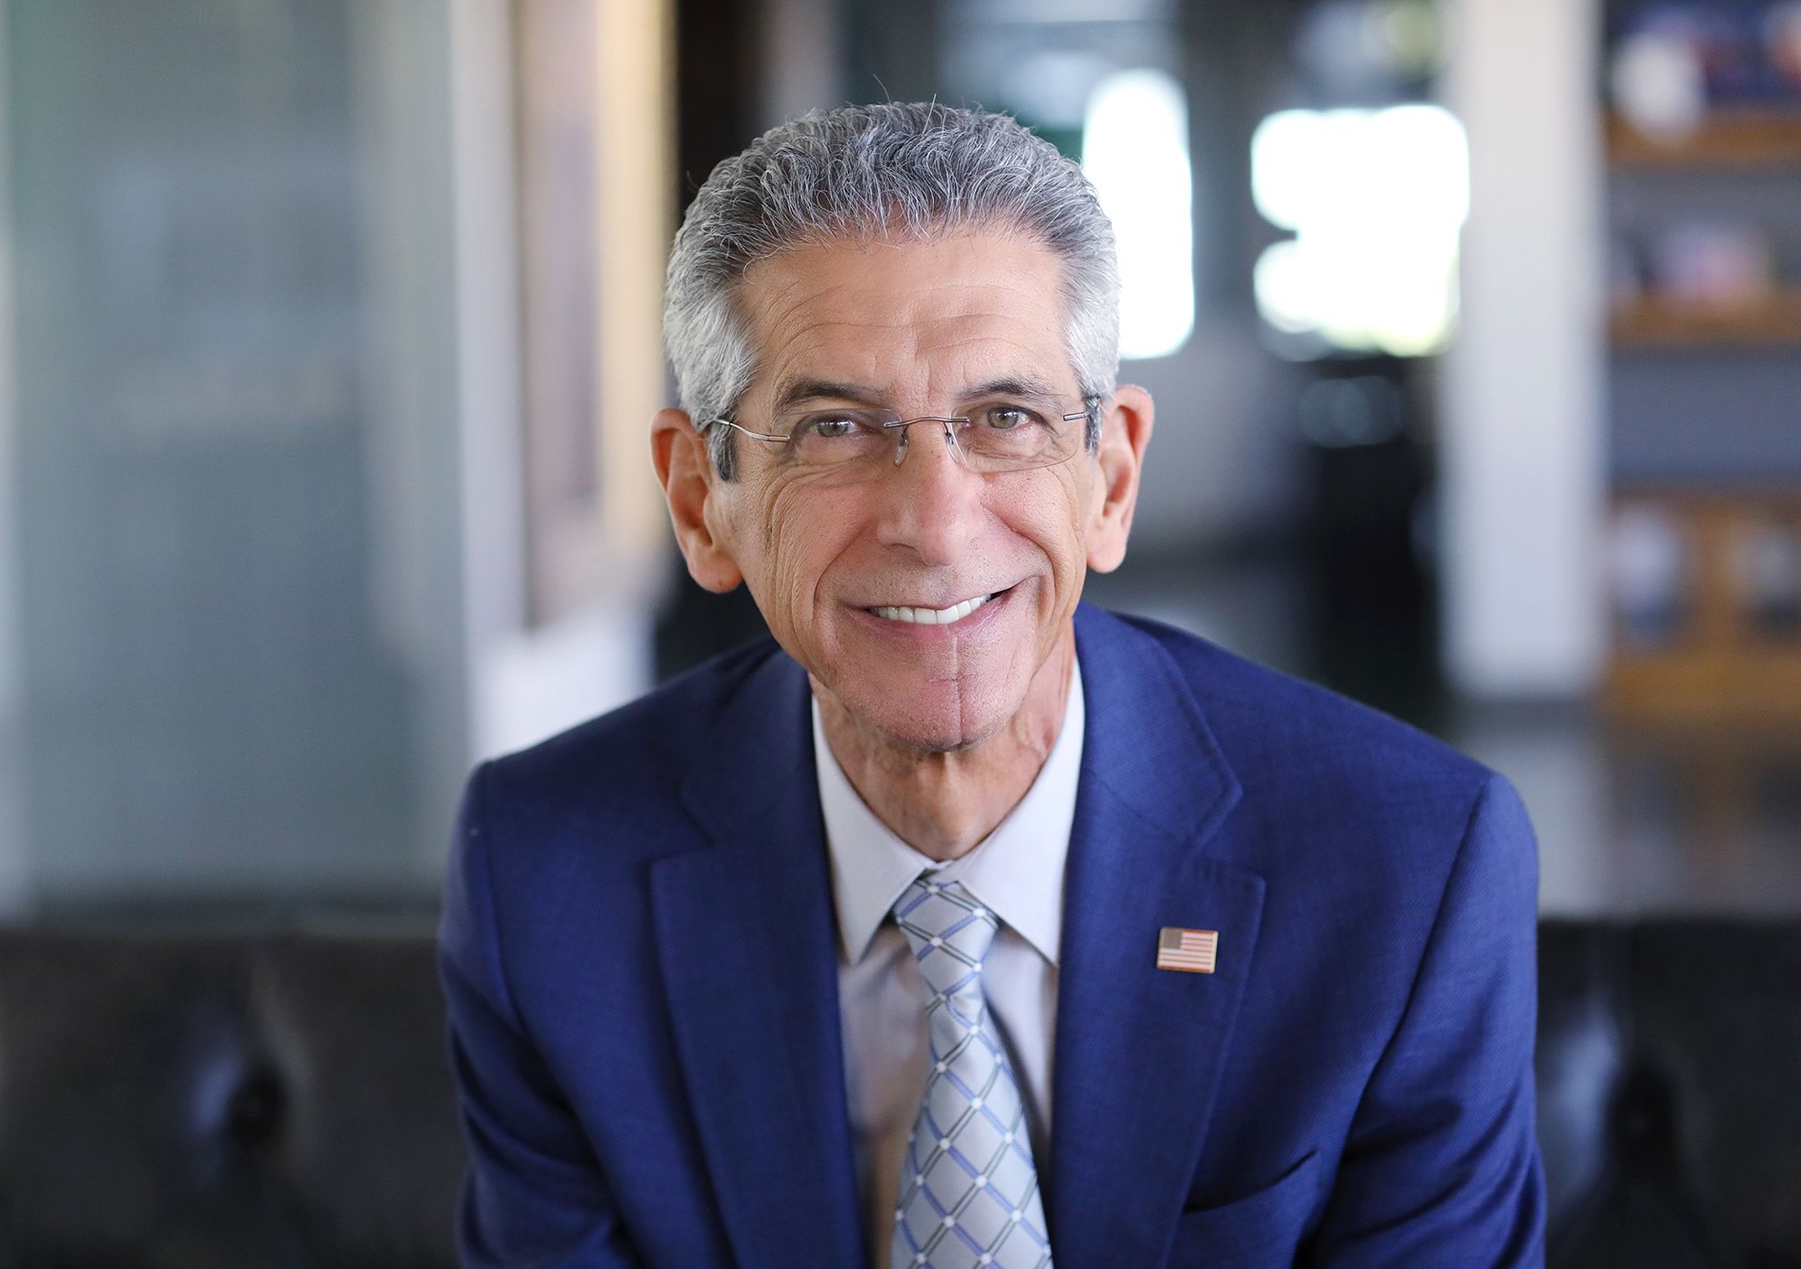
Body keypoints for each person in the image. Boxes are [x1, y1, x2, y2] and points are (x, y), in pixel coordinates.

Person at [437, 101, 1546, 1269]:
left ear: (1110, 478)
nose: (933, 521)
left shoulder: (1408, 867)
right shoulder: (548, 879)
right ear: (699, 502)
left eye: (1005, 417)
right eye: (833, 429)